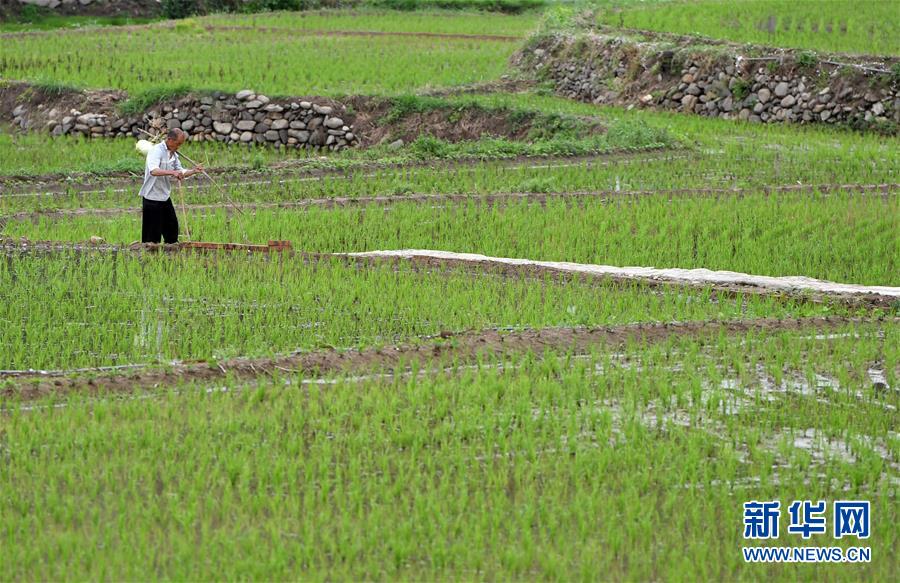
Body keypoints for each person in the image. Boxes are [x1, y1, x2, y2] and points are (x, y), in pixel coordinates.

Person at [138, 128, 204, 243]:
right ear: (169, 140)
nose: (178, 147)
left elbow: (180, 171)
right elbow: (153, 171)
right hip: (151, 198)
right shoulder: (156, 151)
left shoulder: (174, 155)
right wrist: (172, 172)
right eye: (177, 144)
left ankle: (171, 253)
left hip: (164, 197)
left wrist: (194, 171)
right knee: (152, 236)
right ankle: (151, 257)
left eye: (180, 144)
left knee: (172, 229)